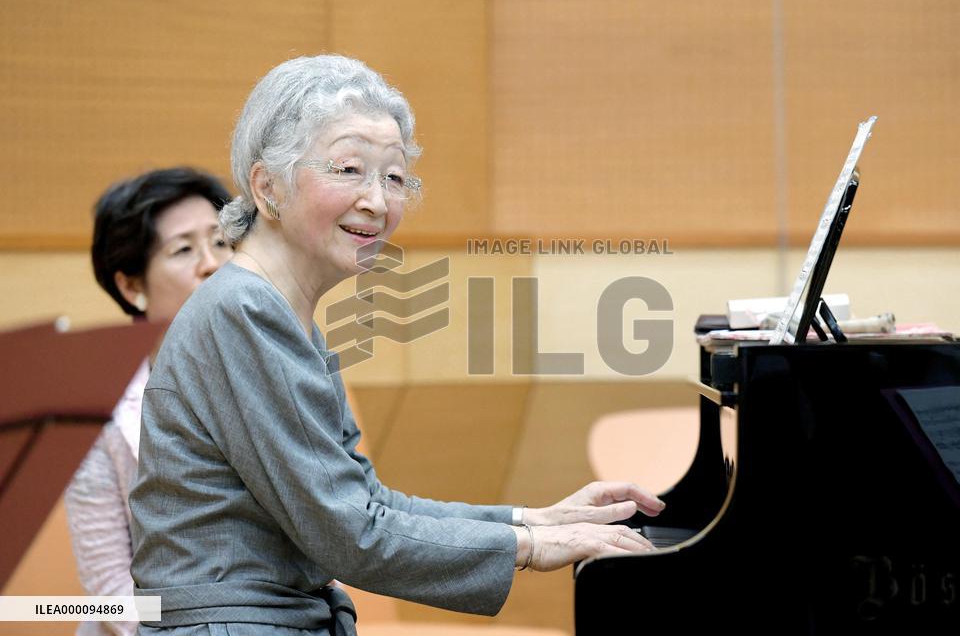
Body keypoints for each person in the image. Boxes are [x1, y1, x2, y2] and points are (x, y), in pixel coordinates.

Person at [129, 55, 664, 636]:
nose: (378, 202)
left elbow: (364, 502)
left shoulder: (278, 313)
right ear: (267, 186)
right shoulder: (244, 311)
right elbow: (351, 535)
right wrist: (529, 546)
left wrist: (534, 518)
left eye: (393, 177)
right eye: (349, 169)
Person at [64, 168, 234, 636]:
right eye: (184, 250)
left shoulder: (276, 374)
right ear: (131, 287)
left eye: (221, 242)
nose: (212, 264)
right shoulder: (97, 415)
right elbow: (110, 584)